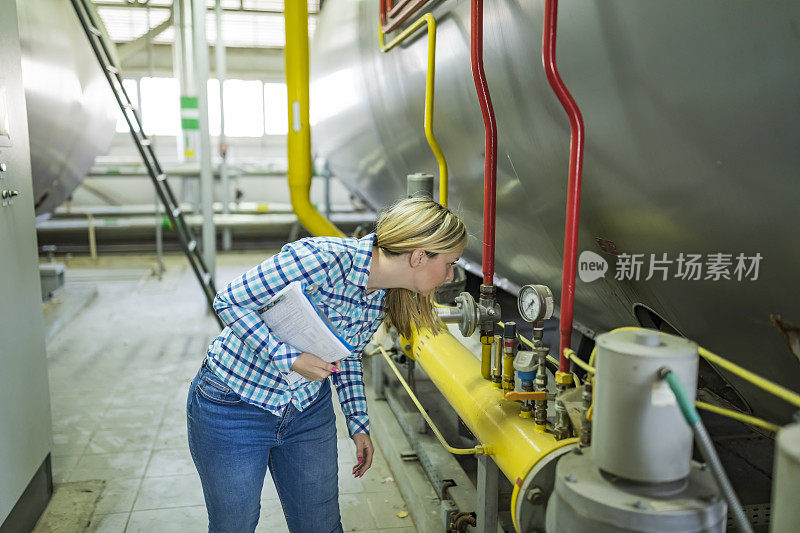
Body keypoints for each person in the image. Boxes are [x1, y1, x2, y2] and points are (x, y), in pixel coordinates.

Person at [186, 196, 468, 532]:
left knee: (320, 525)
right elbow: (229, 300)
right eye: (450, 263)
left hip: (306, 411)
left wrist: (358, 421)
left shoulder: (385, 293)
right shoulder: (322, 258)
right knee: (235, 524)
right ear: (419, 256)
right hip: (234, 405)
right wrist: (288, 358)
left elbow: (344, 355)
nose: (451, 275)